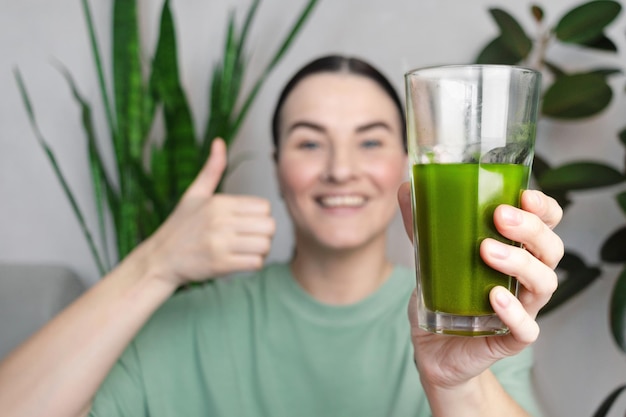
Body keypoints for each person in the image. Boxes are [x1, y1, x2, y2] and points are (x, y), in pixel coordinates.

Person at [0, 55, 563, 417]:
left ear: (407, 163)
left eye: (369, 142)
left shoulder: (468, 318)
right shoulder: (187, 324)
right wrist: (154, 264)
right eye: (309, 142)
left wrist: (456, 384)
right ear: (276, 167)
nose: (340, 169)